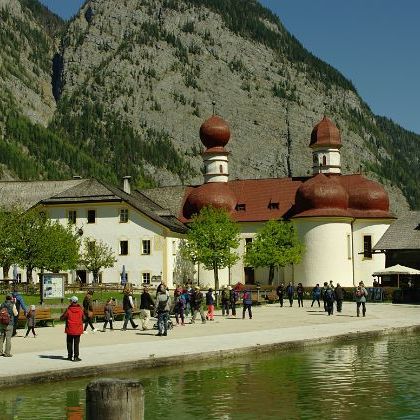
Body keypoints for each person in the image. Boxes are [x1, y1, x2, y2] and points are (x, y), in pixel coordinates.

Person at [60, 296, 84, 361]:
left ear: (72, 301)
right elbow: (84, 318)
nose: (69, 302)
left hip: (70, 328)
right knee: (76, 343)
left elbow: (63, 318)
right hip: (78, 328)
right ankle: (76, 357)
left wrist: (61, 317)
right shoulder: (81, 309)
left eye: (70, 300)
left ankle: (70, 356)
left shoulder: (68, 310)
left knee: (69, 343)